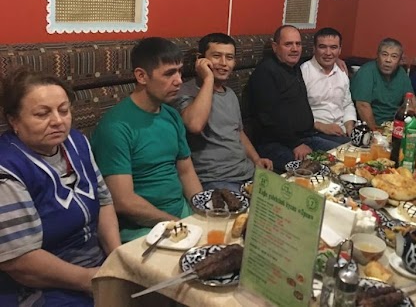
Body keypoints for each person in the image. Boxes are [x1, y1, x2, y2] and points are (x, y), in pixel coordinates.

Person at [0, 68, 121, 306]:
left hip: (96, 266)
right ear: (14, 120)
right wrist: (90, 280)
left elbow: (104, 202)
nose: (58, 121)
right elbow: (21, 261)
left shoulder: (77, 142)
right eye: (42, 114)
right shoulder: (7, 169)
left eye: (64, 110)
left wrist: (118, 259)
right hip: (41, 287)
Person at [91, 37, 203, 243]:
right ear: (141, 76)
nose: (179, 80)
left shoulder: (171, 115)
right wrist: (176, 223)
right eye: (169, 73)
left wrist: (202, 211)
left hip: (181, 213)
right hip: (142, 229)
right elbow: (123, 201)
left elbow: (186, 172)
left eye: (179, 71)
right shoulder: (115, 127)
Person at [171, 33, 273, 192]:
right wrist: (208, 79)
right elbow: (195, 125)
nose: (224, 63)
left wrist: (256, 159)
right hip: (215, 179)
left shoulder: (230, 94)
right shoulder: (184, 91)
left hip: (247, 172)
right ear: (201, 60)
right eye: (217, 56)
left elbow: (238, 132)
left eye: (229, 57)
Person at [246, 25, 342, 173]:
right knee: (312, 171)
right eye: (288, 44)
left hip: (306, 137)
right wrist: (295, 144)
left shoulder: (294, 67)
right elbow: (268, 118)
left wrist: (337, 60)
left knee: (344, 154)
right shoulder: (265, 73)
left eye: (298, 44)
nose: (295, 49)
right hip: (275, 144)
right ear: (275, 47)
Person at [300, 27, 356, 144]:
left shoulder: (342, 71)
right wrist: (322, 126)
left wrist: (350, 126)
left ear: (340, 50)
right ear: (314, 48)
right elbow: (295, 111)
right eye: (322, 47)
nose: (328, 53)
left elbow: (347, 104)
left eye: (333, 47)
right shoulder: (303, 73)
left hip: (342, 131)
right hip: (315, 133)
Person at [350, 38, 416, 130]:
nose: (388, 60)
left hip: (396, 125)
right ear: (377, 56)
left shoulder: (401, 73)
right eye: (384, 54)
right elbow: (362, 105)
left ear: (400, 60)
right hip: (372, 126)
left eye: (394, 56)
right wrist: (375, 132)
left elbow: (410, 100)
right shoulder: (366, 72)